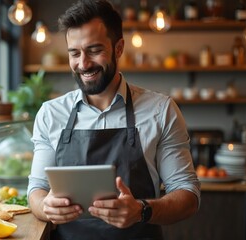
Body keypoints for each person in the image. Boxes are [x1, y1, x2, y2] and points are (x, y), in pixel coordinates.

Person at [27, 0, 200, 239]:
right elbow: (36, 190)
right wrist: (45, 207)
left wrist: (142, 210)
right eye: (74, 53)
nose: (83, 64)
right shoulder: (50, 113)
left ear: (118, 48)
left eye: (94, 50)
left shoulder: (161, 110)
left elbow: (188, 196)